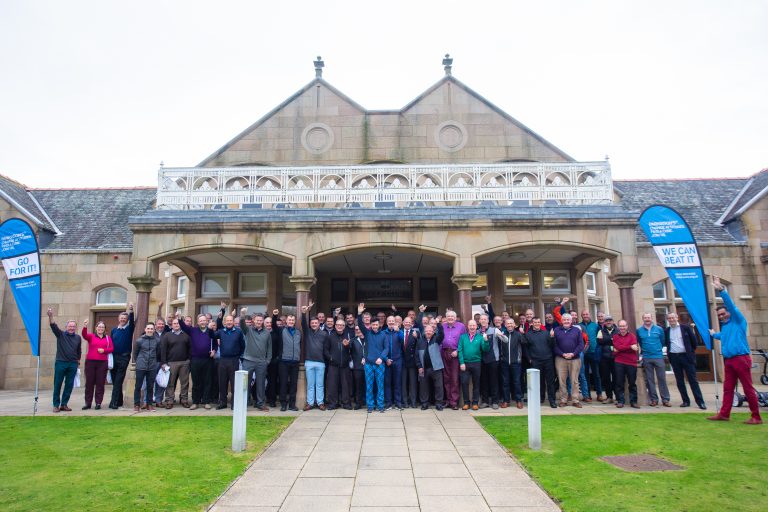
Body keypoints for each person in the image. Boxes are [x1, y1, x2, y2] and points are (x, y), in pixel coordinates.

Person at [708, 277, 762, 424]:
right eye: (719, 315)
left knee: (748, 388)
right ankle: (724, 414)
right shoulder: (725, 327)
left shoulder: (738, 320)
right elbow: (723, 336)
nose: (721, 316)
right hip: (729, 360)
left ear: (729, 313)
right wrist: (714, 334)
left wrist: (721, 290)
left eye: (723, 313)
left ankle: (756, 416)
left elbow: (731, 306)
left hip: (741, 358)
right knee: (727, 387)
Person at [664, 312, 706, 409]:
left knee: (693, 380)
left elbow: (694, 343)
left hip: (686, 357)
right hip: (674, 357)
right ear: (667, 320)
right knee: (680, 381)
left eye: (673, 318)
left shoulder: (685, 328)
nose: (671, 320)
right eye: (669, 318)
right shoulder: (667, 331)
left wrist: (689, 353)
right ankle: (685, 401)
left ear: (677, 318)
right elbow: (667, 343)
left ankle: (700, 402)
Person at [178, 314, 217, 410]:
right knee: (196, 382)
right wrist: (179, 318)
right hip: (195, 360)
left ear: (206, 321)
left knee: (207, 381)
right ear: (198, 322)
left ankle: (206, 401)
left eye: (204, 320)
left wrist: (214, 351)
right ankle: (195, 402)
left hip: (208, 360)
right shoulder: (193, 330)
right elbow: (183, 326)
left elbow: (215, 344)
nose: (203, 322)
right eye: (201, 321)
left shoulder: (211, 331)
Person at [47, 308, 81, 412]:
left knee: (69, 385)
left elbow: (79, 350)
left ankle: (64, 404)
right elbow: (53, 326)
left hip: (73, 364)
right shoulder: (61, 335)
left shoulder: (78, 337)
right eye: (70, 326)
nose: (72, 328)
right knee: (57, 384)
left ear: (75, 328)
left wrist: (78, 361)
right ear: (66, 327)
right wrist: (50, 316)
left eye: (73, 326)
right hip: (61, 363)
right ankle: (56, 405)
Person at [358, 303, 388, 413]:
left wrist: (381, 357)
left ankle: (380, 406)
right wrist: (359, 313)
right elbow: (360, 324)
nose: (375, 327)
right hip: (369, 364)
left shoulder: (384, 334)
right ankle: (370, 406)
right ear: (370, 325)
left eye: (376, 325)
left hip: (380, 364)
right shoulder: (367, 333)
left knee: (380, 386)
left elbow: (386, 348)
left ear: (379, 325)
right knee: (369, 386)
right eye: (373, 325)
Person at [238, 309, 269, 411]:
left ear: (263, 321)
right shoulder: (248, 330)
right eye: (257, 320)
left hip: (261, 362)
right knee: (245, 383)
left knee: (261, 384)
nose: (259, 322)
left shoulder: (267, 333)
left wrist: (267, 360)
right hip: (248, 361)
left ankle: (260, 403)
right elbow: (242, 324)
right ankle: (244, 403)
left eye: (260, 320)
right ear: (253, 321)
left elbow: (270, 348)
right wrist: (242, 314)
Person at [523, 317, 557, 408]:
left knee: (550, 381)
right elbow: (526, 349)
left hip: (548, 360)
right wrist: (529, 359)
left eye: (538, 322)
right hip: (535, 360)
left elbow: (552, 346)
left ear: (540, 323)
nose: (537, 324)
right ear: (532, 323)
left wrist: (552, 337)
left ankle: (552, 400)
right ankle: (540, 398)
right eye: (535, 322)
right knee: (538, 381)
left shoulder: (546, 333)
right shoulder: (528, 335)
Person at [551, 313, 584, 408]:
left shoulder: (577, 330)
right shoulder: (556, 330)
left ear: (571, 321)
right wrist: (562, 354)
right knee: (562, 381)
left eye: (568, 320)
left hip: (575, 358)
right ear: (561, 321)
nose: (566, 321)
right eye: (564, 319)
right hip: (560, 359)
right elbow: (554, 345)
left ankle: (575, 400)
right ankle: (563, 400)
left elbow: (581, 344)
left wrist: (573, 353)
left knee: (575, 380)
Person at [637, 312, 670, 407]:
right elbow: (640, 342)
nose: (647, 319)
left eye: (649, 317)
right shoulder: (639, 330)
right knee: (649, 380)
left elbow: (662, 341)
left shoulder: (659, 329)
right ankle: (654, 399)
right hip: (646, 357)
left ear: (652, 318)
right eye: (645, 317)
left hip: (658, 356)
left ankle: (665, 399)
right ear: (643, 319)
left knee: (661, 379)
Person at [80, 320, 113, 410]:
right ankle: (88, 403)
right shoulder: (91, 336)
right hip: (90, 362)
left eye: (102, 327)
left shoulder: (107, 338)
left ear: (104, 329)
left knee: (100, 383)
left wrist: (104, 351)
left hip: (102, 363)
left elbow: (111, 348)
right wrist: (85, 327)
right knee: (89, 383)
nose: (100, 328)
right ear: (96, 328)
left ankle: (98, 403)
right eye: (99, 327)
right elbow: (84, 335)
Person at [272, 309, 301, 411]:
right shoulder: (281, 330)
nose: (291, 321)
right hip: (284, 361)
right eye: (289, 320)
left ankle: (292, 405)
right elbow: (274, 326)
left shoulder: (298, 332)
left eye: (293, 320)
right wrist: (274, 316)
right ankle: (283, 404)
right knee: (283, 383)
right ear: (286, 321)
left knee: (293, 384)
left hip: (295, 362)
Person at [302, 302, 328, 411]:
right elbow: (303, 323)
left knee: (320, 384)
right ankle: (310, 403)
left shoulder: (324, 334)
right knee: (310, 385)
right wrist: (304, 313)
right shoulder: (307, 332)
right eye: (312, 323)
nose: (313, 324)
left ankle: (320, 402)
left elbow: (326, 349)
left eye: (315, 323)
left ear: (319, 323)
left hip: (321, 362)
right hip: (309, 362)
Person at [108, 303, 135, 409]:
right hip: (113, 358)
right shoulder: (114, 330)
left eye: (125, 318)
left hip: (124, 357)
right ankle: (119, 400)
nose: (123, 319)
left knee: (119, 380)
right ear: (119, 319)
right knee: (115, 381)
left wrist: (131, 311)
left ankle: (113, 402)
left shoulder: (129, 329)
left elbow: (132, 322)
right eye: (122, 318)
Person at [160, 318, 191, 409]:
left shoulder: (186, 335)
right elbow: (163, 350)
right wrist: (164, 363)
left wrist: (188, 360)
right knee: (170, 383)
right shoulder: (167, 335)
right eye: (174, 323)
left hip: (184, 363)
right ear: (172, 325)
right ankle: (169, 400)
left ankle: (184, 400)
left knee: (184, 383)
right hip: (171, 363)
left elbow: (190, 349)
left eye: (177, 323)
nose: (176, 325)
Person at [458, 319, 488, 410]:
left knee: (476, 383)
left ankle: (475, 403)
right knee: (464, 383)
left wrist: (486, 341)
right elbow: (460, 350)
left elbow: (485, 349)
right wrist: (462, 362)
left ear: (476, 326)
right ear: (468, 326)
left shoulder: (480, 337)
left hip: (476, 363)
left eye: (473, 325)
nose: (472, 327)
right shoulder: (462, 337)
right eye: (470, 325)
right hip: (465, 364)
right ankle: (466, 403)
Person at [441, 310, 466, 410]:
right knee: (446, 378)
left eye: (452, 316)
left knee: (454, 379)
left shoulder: (461, 326)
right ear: (446, 318)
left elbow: (464, 341)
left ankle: (454, 402)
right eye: (448, 316)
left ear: (455, 318)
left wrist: (458, 351)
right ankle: (447, 400)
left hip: (455, 353)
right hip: (445, 352)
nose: (450, 318)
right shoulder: (442, 326)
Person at [325, 318, 352, 410]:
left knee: (345, 386)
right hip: (333, 365)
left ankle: (346, 403)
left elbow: (351, 350)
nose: (340, 326)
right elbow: (325, 350)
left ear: (344, 327)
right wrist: (331, 358)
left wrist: (347, 345)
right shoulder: (330, 336)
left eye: (342, 325)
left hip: (344, 365)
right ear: (335, 326)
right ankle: (333, 403)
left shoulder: (347, 336)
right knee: (332, 385)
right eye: (338, 325)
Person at [416, 323, 444, 410]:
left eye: (430, 331)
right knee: (423, 387)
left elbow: (442, 334)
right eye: (427, 330)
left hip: (436, 367)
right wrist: (419, 366)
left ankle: (439, 403)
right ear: (424, 332)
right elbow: (417, 355)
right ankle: (424, 403)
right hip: (424, 368)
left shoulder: (436, 339)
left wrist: (438, 324)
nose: (428, 332)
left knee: (439, 386)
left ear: (433, 332)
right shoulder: (420, 340)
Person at [132, 323, 159, 412]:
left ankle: (149, 404)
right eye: (148, 328)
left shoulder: (157, 340)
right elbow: (135, 354)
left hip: (152, 366)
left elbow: (158, 353)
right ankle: (136, 405)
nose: (150, 330)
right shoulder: (139, 340)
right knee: (138, 386)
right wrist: (139, 362)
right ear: (145, 329)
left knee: (150, 386)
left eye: (151, 329)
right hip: (141, 366)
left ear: (154, 330)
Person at [612, 319, 640, 408]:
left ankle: (634, 402)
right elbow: (617, 347)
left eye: (624, 326)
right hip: (619, 362)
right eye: (620, 326)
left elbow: (619, 348)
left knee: (632, 383)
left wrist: (620, 349)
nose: (622, 328)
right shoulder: (615, 337)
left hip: (631, 362)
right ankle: (620, 401)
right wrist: (630, 347)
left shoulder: (632, 336)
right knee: (619, 382)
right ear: (618, 327)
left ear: (627, 326)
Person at [500, 318, 524, 409]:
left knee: (517, 382)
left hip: (516, 362)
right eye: (507, 323)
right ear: (505, 325)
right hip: (505, 362)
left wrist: (523, 333)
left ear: (514, 325)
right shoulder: (502, 334)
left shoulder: (518, 334)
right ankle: (506, 401)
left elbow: (525, 342)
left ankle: (518, 400)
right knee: (505, 382)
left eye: (511, 323)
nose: (509, 325)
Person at [579, 310, 603, 402]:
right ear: (581, 316)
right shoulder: (579, 326)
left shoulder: (596, 326)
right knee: (585, 375)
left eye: (587, 314)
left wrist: (598, 350)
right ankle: (587, 395)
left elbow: (600, 339)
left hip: (594, 353)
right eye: (583, 314)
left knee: (596, 374)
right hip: (583, 354)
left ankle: (599, 394)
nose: (585, 315)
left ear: (590, 315)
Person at [383, 315, 404, 410]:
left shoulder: (399, 332)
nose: (391, 322)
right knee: (387, 383)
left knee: (397, 382)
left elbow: (402, 340)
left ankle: (398, 403)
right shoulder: (383, 333)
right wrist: (386, 359)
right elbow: (381, 347)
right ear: (387, 322)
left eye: (393, 321)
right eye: (389, 321)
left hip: (398, 360)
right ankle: (388, 403)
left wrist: (398, 330)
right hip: (387, 361)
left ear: (395, 322)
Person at [597, 315, 617, 404]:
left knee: (617, 378)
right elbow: (599, 341)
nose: (608, 322)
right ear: (604, 322)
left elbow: (618, 341)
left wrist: (606, 340)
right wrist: (611, 339)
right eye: (607, 321)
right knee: (606, 378)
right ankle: (609, 397)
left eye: (610, 320)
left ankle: (618, 397)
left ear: (613, 321)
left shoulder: (618, 330)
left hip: (616, 357)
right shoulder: (600, 331)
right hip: (604, 357)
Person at [401, 317, 420, 408]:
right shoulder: (399, 332)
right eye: (406, 322)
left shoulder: (416, 333)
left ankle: (413, 401)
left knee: (413, 383)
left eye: (409, 322)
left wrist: (417, 338)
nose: (407, 323)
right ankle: (405, 402)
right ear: (403, 323)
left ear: (411, 323)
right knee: (403, 383)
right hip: (402, 361)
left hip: (412, 361)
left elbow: (420, 345)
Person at [350, 325, 367, 410]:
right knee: (358, 386)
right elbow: (348, 352)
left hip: (369, 366)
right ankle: (358, 403)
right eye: (356, 329)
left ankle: (368, 402)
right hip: (357, 367)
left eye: (360, 329)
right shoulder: (353, 340)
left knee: (369, 385)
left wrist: (366, 358)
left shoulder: (368, 339)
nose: (358, 330)